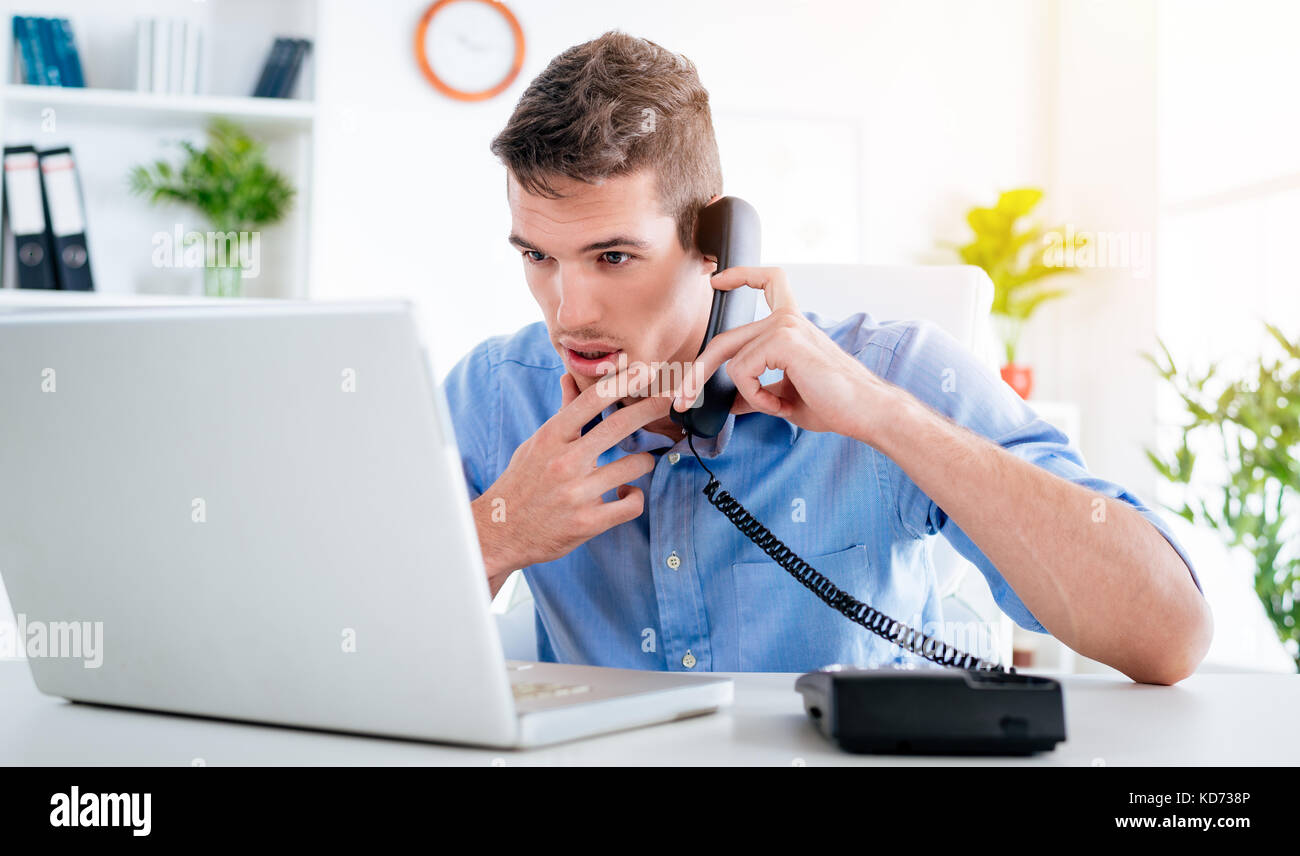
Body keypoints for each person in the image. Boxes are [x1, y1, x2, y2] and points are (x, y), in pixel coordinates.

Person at [443, 31, 1211, 683]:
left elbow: (1170, 636)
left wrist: (886, 419)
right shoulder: (492, 395)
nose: (568, 313)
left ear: (714, 245)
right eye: (538, 256)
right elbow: (337, 644)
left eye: (612, 257)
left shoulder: (891, 368)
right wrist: (496, 536)